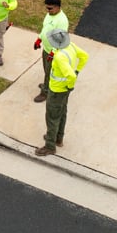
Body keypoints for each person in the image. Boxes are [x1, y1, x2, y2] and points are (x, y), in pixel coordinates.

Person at [35, 28, 88, 157]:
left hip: (57, 90)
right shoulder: (71, 46)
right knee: (62, 112)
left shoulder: (60, 57)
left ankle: (50, 146)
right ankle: (59, 139)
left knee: (52, 117)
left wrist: (70, 84)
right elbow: (85, 56)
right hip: (64, 91)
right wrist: (77, 70)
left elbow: (71, 76)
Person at [32, 0, 69, 103]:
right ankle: (47, 85)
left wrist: (53, 52)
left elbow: (60, 39)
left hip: (54, 52)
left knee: (49, 72)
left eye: (50, 8)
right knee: (46, 69)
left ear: (58, 7)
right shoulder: (50, 15)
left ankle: (45, 92)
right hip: (46, 49)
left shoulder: (62, 21)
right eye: (47, 8)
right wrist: (39, 39)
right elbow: (45, 29)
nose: (47, 11)